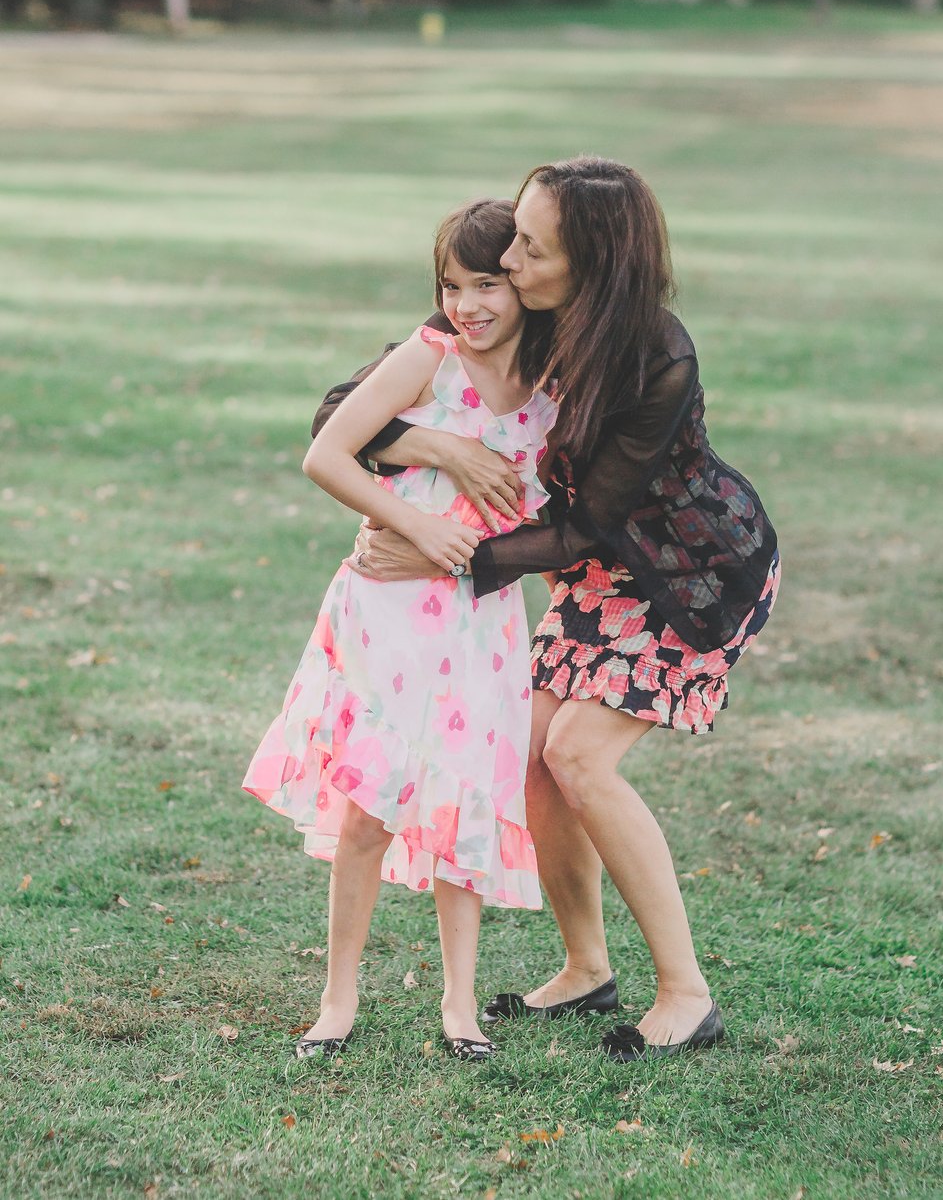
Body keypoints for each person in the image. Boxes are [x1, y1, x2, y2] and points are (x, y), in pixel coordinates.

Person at [316, 156, 780, 1062]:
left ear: (591, 261)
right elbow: (347, 406)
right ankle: (586, 966)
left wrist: (439, 554)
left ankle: (687, 996)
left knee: (578, 754)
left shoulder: (656, 358)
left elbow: (586, 525)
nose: (510, 261)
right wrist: (440, 444)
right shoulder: (514, 311)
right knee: (527, 757)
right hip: (602, 571)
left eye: (531, 248)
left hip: (689, 572)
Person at [243, 199, 558, 1062]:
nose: (468, 304)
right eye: (451, 286)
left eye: (487, 283)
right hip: (389, 611)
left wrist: (455, 555)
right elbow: (326, 454)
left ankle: (460, 1005)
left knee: (465, 799)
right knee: (369, 806)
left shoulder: (555, 378)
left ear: (525, 284)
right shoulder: (431, 358)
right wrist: (417, 518)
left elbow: (549, 512)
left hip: (481, 619)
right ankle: (337, 997)